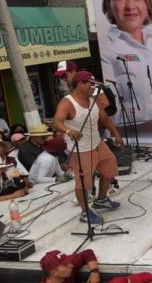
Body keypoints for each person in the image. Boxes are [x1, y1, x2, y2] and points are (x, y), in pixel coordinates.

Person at [52, 70, 124, 224]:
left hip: (97, 143)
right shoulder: (67, 102)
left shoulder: (94, 99)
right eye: (91, 84)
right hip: (81, 149)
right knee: (84, 183)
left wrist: (116, 134)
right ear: (80, 84)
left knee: (110, 170)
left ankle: (101, 199)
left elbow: (104, 117)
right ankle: (85, 212)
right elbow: (56, 121)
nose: (93, 87)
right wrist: (69, 131)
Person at [100, 0, 152, 124]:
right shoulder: (106, 48)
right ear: (108, 6)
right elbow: (111, 110)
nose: (130, 6)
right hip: (135, 136)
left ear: (147, 5)